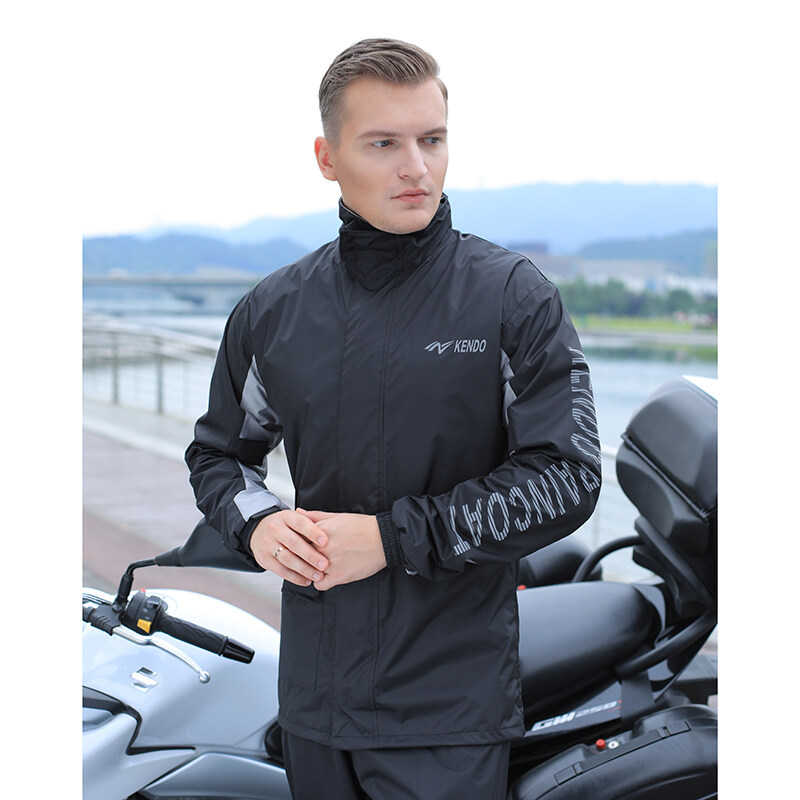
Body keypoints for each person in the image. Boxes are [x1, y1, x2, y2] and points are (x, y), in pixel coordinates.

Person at [185, 38, 602, 800]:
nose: (417, 167)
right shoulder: (273, 312)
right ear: (327, 157)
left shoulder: (511, 297)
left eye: (432, 140)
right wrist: (258, 526)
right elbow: (219, 458)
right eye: (384, 144)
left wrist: (390, 539)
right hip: (313, 706)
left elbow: (568, 478)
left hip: (448, 715)